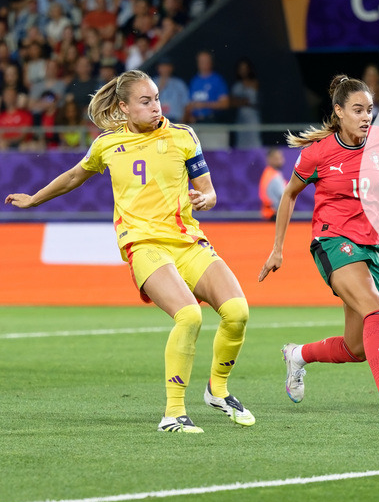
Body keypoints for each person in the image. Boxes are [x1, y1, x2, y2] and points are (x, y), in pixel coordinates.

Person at [5, 69, 254, 433]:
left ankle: (218, 389)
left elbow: (209, 190)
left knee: (238, 313)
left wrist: (207, 198)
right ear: (124, 107)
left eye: (156, 98)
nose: (156, 106)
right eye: (146, 101)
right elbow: (74, 176)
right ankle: (173, 413)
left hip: (187, 240)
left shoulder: (184, 136)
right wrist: (34, 199)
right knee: (189, 317)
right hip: (144, 244)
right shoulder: (107, 145)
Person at [258, 74, 379, 421]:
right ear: (339, 111)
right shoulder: (318, 153)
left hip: (373, 245)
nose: (367, 117)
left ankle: (297, 354)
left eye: (370, 110)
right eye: (358, 110)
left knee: (357, 348)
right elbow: (288, 195)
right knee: (376, 309)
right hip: (333, 240)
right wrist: (278, 248)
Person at [259, 147, 286, 220]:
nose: (281, 160)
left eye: (281, 158)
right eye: (277, 158)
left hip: (268, 213)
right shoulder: (274, 176)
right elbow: (284, 196)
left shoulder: (267, 173)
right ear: (270, 159)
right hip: (274, 214)